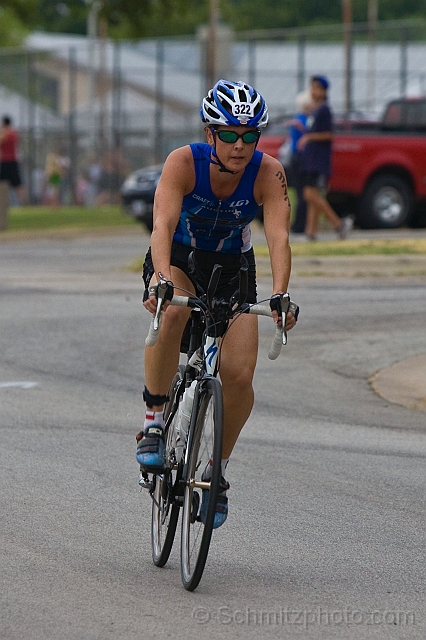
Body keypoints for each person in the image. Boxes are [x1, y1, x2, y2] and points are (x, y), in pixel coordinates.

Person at [136, 79, 298, 528]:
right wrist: (161, 277)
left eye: (250, 136)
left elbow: (278, 236)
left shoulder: (269, 173)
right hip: (181, 256)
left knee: (241, 374)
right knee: (173, 312)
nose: (240, 146)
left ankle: (216, 471)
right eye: (229, 134)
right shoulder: (183, 163)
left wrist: (281, 294)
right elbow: (163, 223)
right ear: (211, 134)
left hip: (233, 267)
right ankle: (153, 422)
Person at [297, 75, 353, 241]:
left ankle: (338, 223)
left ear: (324, 91)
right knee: (313, 196)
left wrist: (309, 138)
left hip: (317, 161)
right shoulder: (315, 110)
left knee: (310, 195)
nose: (313, 91)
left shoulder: (324, 110)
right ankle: (311, 232)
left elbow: (329, 134)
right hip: (310, 160)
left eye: (316, 88)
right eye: (312, 88)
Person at [286, 90, 313, 234]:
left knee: (301, 193)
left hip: (298, 158)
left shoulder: (302, 119)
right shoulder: (303, 121)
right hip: (300, 158)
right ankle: (299, 225)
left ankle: (300, 223)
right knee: (301, 192)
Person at [0, 116, 25, 204]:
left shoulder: (6, 133)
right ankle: (22, 202)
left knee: (5, 183)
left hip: (6, 161)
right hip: (13, 160)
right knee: (17, 183)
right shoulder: (14, 133)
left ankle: (5, 201)